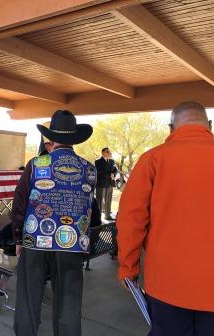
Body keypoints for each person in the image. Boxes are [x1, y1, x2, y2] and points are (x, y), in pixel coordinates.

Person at [117, 101, 214, 336]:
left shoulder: (153, 159)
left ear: (171, 129)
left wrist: (128, 267)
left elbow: (131, 219)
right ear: (209, 125)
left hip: (167, 285)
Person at [12, 110, 96, 336]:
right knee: (69, 303)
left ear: (51, 139)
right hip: (72, 245)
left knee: (28, 300)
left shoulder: (36, 164)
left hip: (35, 241)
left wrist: (18, 238)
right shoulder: (89, 168)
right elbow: (90, 208)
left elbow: (19, 204)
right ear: (75, 138)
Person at [95, 147, 117, 220]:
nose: (109, 153)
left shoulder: (112, 161)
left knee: (108, 200)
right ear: (103, 153)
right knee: (99, 202)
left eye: (109, 151)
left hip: (110, 184)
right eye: (107, 151)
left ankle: (107, 216)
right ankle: (98, 217)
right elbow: (100, 172)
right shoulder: (98, 161)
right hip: (101, 184)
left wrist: (113, 174)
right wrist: (109, 175)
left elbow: (115, 170)